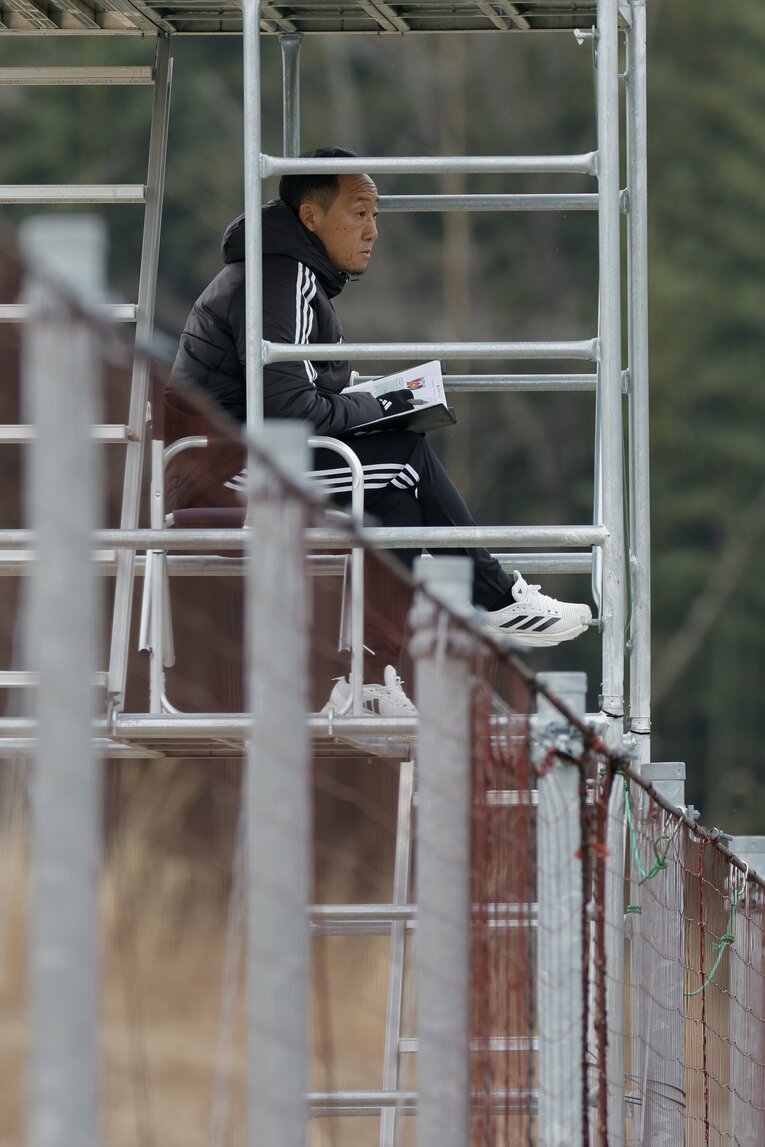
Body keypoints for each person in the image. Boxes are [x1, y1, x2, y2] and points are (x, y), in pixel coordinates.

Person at [171, 147, 592, 713]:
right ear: (311, 217)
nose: (373, 230)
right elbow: (289, 409)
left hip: (239, 456)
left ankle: (375, 672)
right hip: (215, 472)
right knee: (403, 462)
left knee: (392, 480)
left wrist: (377, 402)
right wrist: (380, 406)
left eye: (376, 214)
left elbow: (293, 401)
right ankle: (493, 600)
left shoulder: (286, 272)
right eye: (359, 211)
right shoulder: (281, 276)